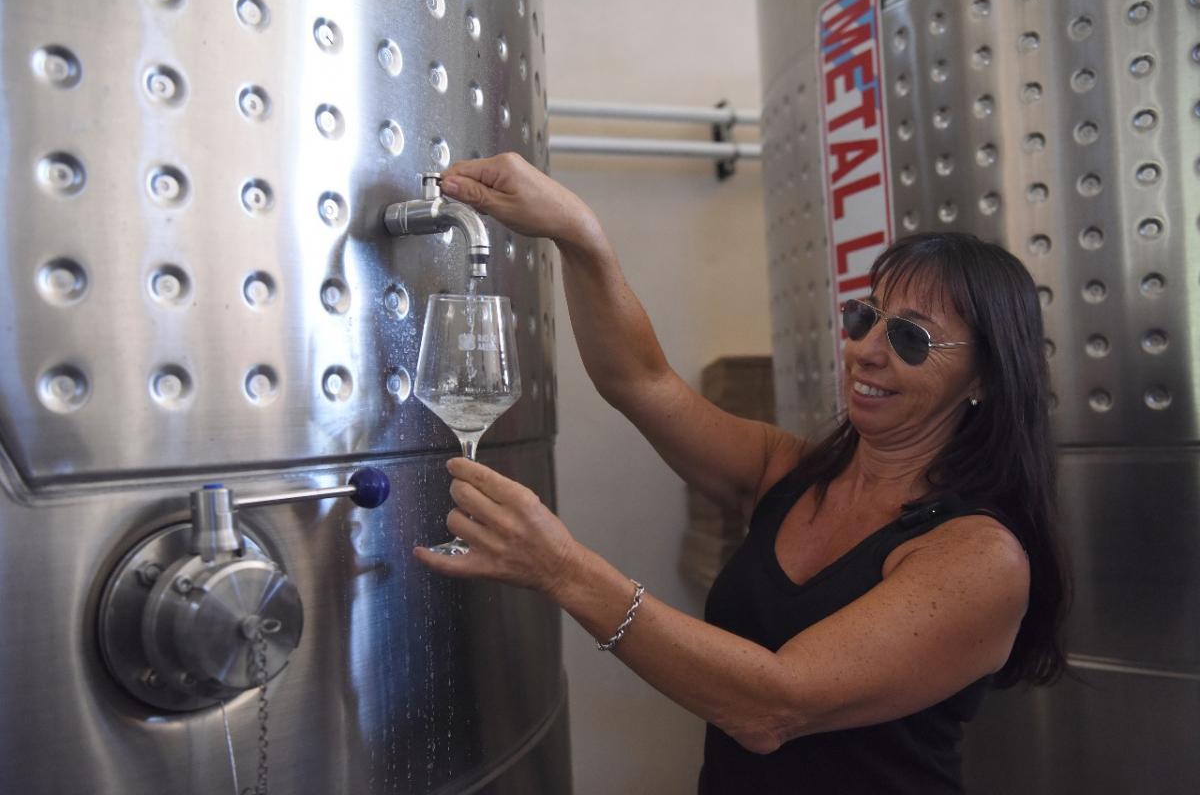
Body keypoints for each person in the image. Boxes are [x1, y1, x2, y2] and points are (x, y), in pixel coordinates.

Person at [414, 152, 1070, 793]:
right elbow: (639, 381)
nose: (865, 352)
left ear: (983, 376)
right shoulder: (788, 472)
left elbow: (773, 706)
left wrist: (564, 570)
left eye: (910, 339)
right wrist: (579, 233)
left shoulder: (980, 558)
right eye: (865, 318)